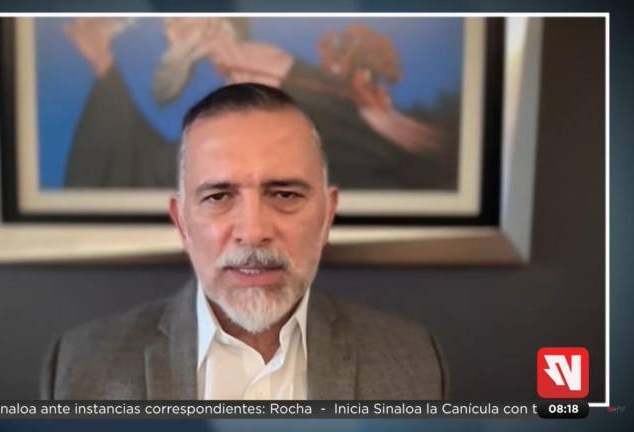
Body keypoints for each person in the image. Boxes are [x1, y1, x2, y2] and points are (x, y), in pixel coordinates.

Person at [40, 83, 448, 400]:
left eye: (284, 194)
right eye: (219, 197)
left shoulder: (414, 361)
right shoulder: (79, 367)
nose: (253, 232)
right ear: (182, 223)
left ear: (327, 216)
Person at [62, 17, 454, 190]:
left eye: (180, 17)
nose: (168, 26)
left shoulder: (262, 62)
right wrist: (105, 67)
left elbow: (338, 131)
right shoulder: (234, 78)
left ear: (211, 22)